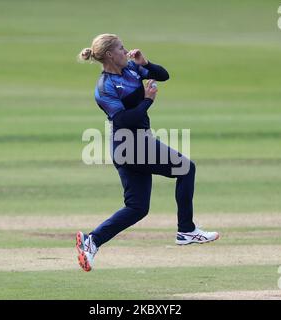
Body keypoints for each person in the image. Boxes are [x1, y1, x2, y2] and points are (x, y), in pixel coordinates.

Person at [76, 34, 219, 272]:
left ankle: (92, 240)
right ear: (110, 55)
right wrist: (147, 100)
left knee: (137, 207)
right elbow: (122, 120)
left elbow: (163, 75)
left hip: (134, 145)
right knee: (186, 168)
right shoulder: (105, 87)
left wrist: (146, 64)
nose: (126, 51)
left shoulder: (132, 69)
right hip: (130, 144)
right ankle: (186, 230)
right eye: (121, 48)